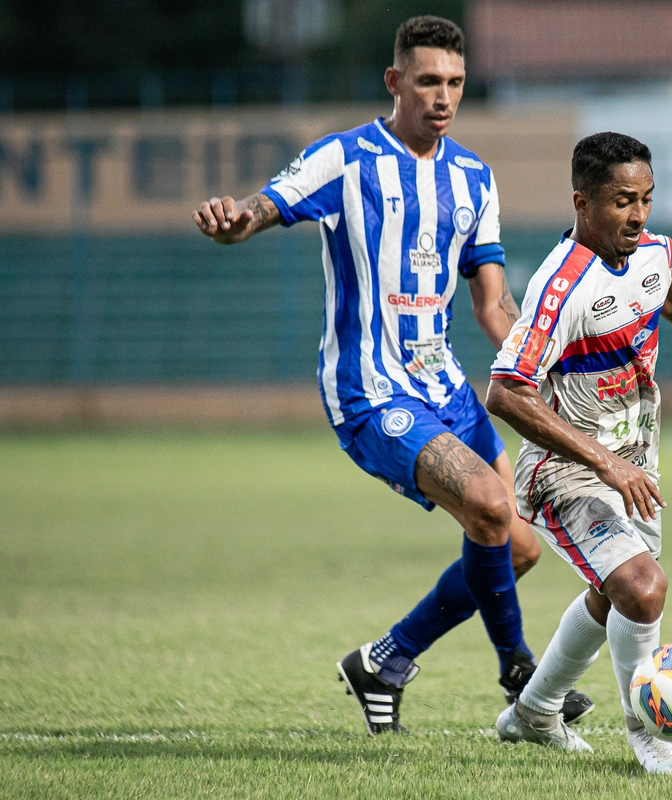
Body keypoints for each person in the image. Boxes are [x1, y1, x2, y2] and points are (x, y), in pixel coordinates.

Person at [191, 15, 591, 734]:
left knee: (519, 546)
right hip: (371, 391)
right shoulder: (344, 159)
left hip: (445, 389)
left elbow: (493, 302)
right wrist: (234, 220)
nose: (443, 97)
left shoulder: (473, 177)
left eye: (456, 84)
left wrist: (539, 368)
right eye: (430, 81)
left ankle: (385, 660)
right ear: (395, 81)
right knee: (494, 512)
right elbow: (263, 206)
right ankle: (521, 676)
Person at [484, 132, 672, 774]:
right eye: (623, 201)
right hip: (567, 470)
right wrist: (603, 462)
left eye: (646, 199)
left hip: (633, 459)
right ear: (583, 202)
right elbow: (504, 394)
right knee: (643, 589)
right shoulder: (560, 288)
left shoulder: (645, 251)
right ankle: (648, 730)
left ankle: (533, 713)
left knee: (616, 593)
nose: (638, 215)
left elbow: (663, 285)